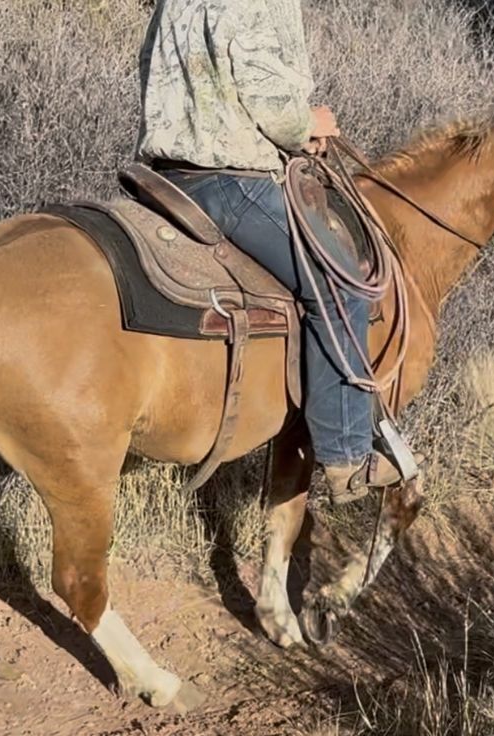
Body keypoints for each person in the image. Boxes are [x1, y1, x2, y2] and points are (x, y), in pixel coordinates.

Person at [135, 0, 403, 505]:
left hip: (165, 177)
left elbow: (151, 64)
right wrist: (307, 124)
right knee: (339, 285)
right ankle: (347, 457)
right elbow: (268, 97)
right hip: (228, 179)